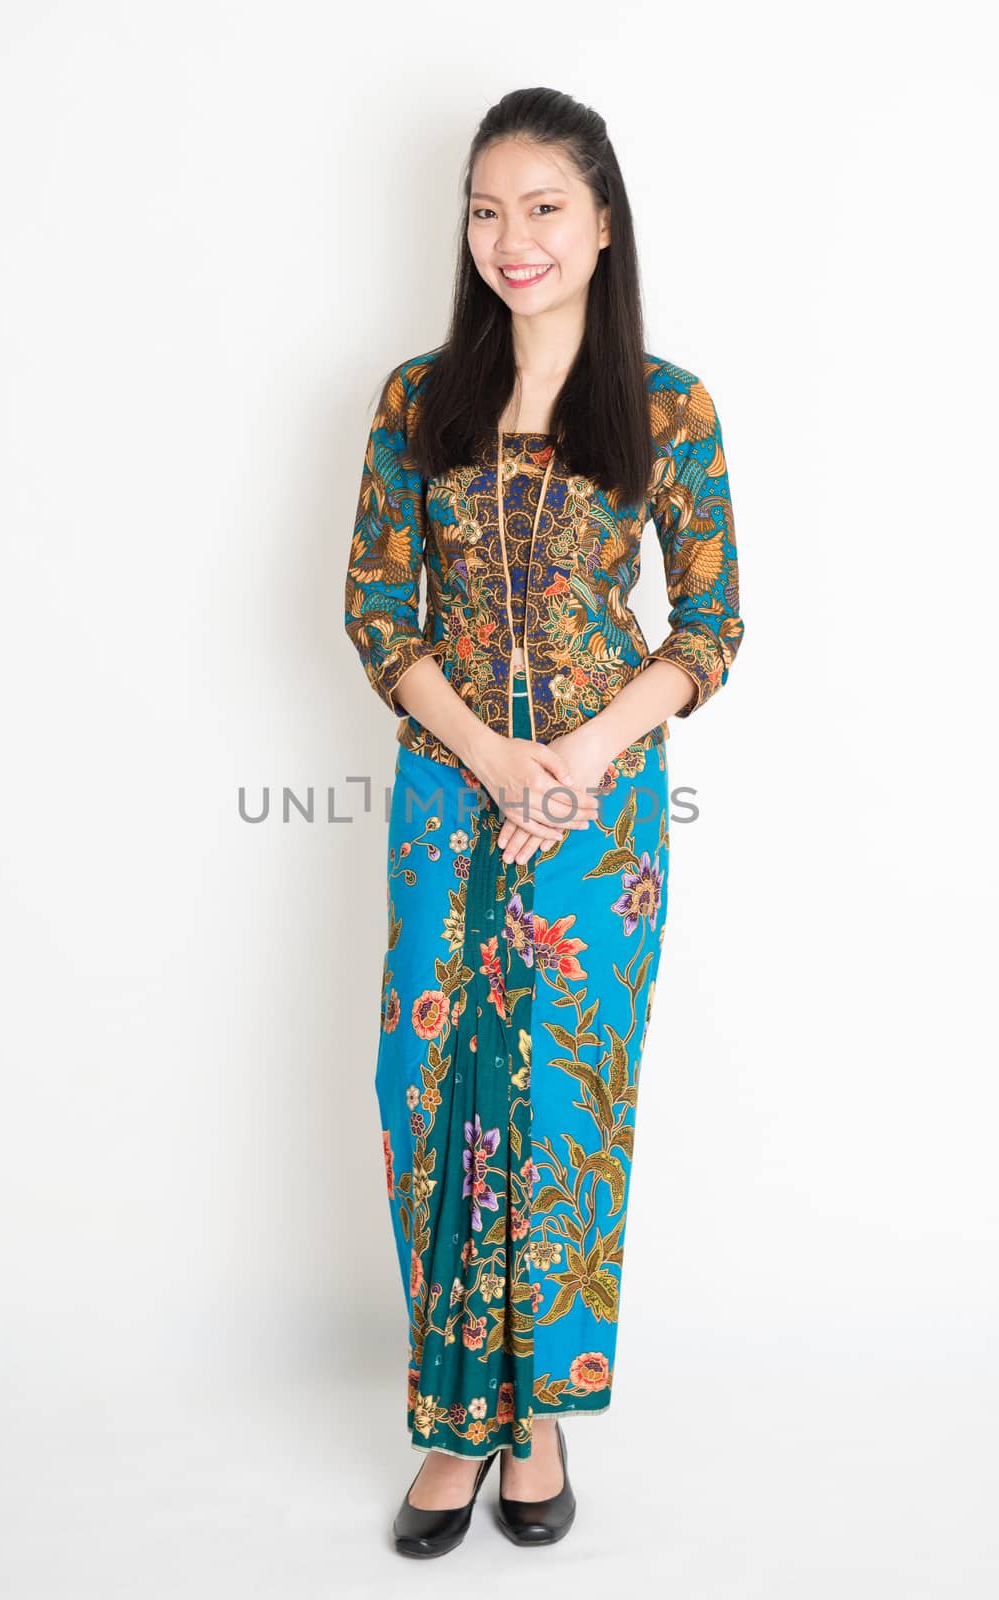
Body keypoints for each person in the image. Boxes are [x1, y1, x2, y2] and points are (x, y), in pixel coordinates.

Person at [343, 85, 745, 1558]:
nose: (513, 239)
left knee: (564, 1109)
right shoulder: (415, 398)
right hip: (452, 801)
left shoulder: (670, 403)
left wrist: (572, 756)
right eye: (487, 209)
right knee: (434, 1096)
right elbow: (377, 612)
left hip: (601, 813)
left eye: (544, 208)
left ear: (602, 222)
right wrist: (494, 762)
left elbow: (709, 625)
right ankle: (451, 1432)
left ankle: (544, 1422)